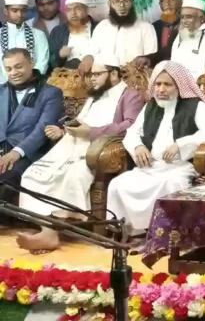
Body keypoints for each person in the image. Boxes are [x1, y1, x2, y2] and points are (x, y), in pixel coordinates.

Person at [16, 54, 145, 252]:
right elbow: (80, 121)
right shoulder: (95, 95)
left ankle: (51, 233)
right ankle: (46, 230)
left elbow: (130, 125)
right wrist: (63, 130)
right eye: (90, 75)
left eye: (97, 74)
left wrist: (91, 132)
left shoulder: (130, 95)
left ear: (113, 74)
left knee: (73, 176)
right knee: (32, 175)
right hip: (70, 146)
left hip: (100, 150)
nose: (92, 79)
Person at [106, 61, 205, 233]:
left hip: (179, 168)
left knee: (172, 185)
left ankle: (167, 234)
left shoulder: (194, 106)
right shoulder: (151, 106)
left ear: (179, 86)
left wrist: (181, 144)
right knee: (117, 184)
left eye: (167, 85)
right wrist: (138, 147)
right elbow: (132, 132)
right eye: (158, 84)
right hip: (150, 167)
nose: (161, 89)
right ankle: (128, 233)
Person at [0, 49, 62, 210]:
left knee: (7, 176)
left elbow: (42, 130)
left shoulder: (51, 93)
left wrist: (15, 153)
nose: (13, 73)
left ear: (31, 62)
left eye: (18, 66)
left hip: (29, 153)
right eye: (8, 69)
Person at [139, 0, 205, 79]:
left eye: (189, 17)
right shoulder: (177, 34)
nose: (184, 21)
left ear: (202, 18)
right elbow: (165, 52)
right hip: (175, 85)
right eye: (182, 17)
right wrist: (148, 59)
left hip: (203, 87)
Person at [79, 0, 157, 73]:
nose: (122, 5)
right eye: (116, 1)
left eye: (126, 1)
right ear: (109, 4)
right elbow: (92, 50)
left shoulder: (146, 27)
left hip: (134, 76)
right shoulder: (102, 26)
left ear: (132, 3)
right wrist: (88, 56)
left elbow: (151, 58)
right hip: (104, 76)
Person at [0, 0, 49, 83]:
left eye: (23, 11)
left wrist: (30, 81)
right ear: (6, 11)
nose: (19, 14)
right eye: (14, 10)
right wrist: (6, 84)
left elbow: (42, 62)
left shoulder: (39, 35)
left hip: (33, 84)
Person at [48, 0, 99, 69]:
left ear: (86, 10)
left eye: (78, 8)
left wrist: (93, 57)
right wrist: (59, 55)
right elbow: (49, 62)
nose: (73, 13)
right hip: (66, 74)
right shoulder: (57, 32)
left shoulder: (99, 28)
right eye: (69, 10)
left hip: (94, 73)